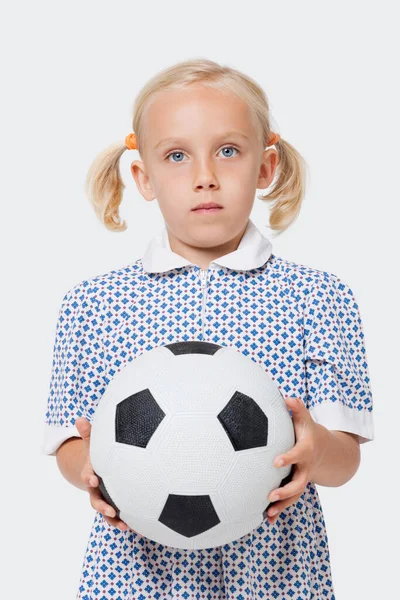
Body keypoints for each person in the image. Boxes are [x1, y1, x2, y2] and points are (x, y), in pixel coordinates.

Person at [41, 58, 375, 599]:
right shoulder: (94, 305)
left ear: (266, 168)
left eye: (228, 150)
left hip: (275, 576)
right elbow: (68, 444)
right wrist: (92, 470)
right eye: (176, 156)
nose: (205, 176)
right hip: (134, 577)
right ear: (143, 178)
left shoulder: (317, 298)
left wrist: (313, 451)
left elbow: (345, 460)